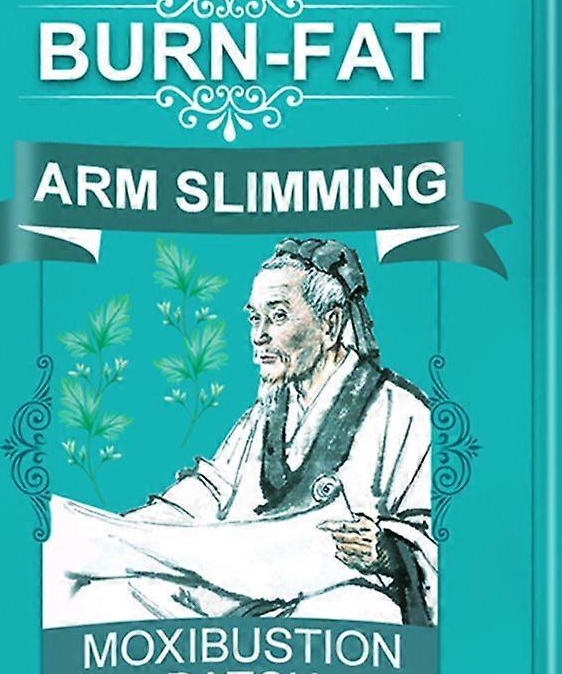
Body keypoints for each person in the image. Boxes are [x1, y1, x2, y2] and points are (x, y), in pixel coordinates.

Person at [128, 237, 436, 624]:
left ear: (331, 323)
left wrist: (388, 552)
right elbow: (209, 491)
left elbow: (443, 537)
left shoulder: (402, 413)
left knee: (358, 610)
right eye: (254, 318)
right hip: (244, 591)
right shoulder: (265, 414)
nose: (258, 335)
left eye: (277, 316)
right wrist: (123, 530)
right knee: (122, 591)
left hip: (334, 599)